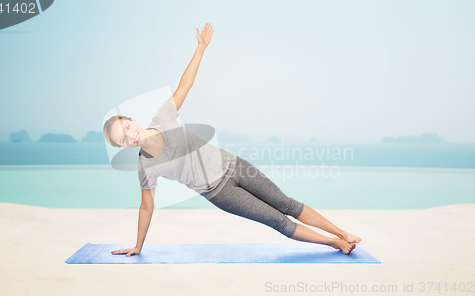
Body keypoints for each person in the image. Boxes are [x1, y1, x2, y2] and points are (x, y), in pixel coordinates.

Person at [104, 23, 361, 257]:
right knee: (277, 220)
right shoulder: (145, 167)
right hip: (220, 192)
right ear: (123, 146)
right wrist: (139, 245)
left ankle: (342, 233)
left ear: (133, 120)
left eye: (127, 127)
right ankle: (334, 243)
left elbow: (185, 85)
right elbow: (146, 208)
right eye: (123, 138)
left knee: (286, 203)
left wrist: (201, 48)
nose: (130, 135)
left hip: (235, 165)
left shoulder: (163, 118)